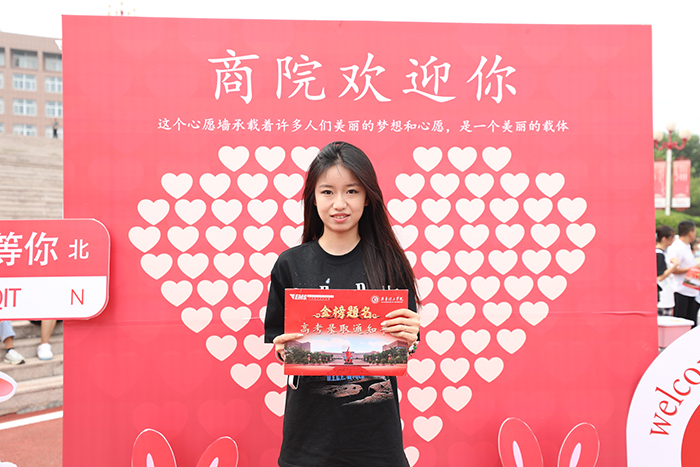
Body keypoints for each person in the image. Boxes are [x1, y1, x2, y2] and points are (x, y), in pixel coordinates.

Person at [264, 141, 420, 467]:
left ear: (368, 197)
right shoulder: (290, 265)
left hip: (377, 443)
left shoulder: (391, 263)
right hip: (309, 442)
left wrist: (411, 337)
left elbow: (406, 346)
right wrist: (283, 350)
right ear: (313, 197)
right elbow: (280, 343)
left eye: (351, 191)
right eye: (327, 192)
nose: (339, 203)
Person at [667, 220, 700, 324]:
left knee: (691, 323)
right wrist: (692, 268)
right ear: (690, 232)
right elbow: (674, 269)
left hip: (691, 290)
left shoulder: (687, 246)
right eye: (695, 232)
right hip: (680, 291)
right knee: (681, 322)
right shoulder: (677, 247)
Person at [656, 225, 679, 316]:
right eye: (672, 238)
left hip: (665, 297)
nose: (673, 240)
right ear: (664, 239)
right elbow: (659, 277)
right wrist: (675, 266)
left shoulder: (661, 253)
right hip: (663, 298)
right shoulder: (659, 254)